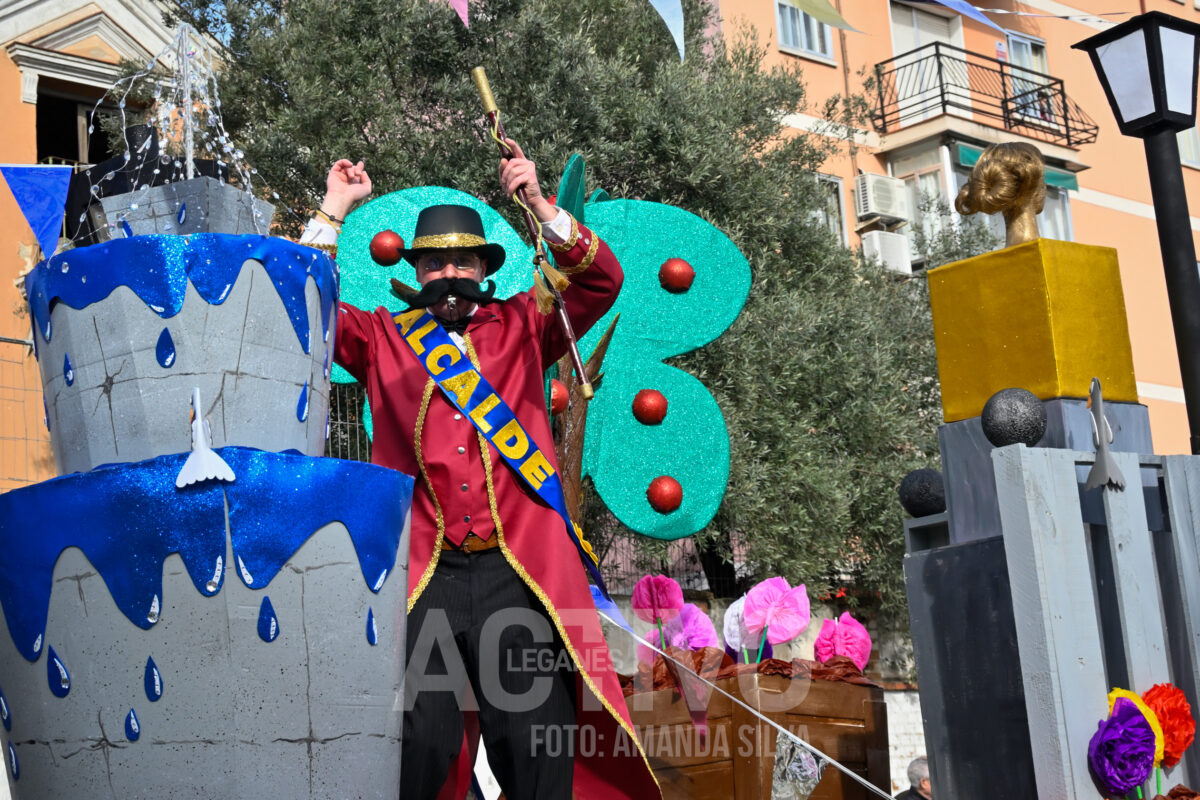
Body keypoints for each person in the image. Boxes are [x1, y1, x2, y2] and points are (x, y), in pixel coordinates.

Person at [301, 149, 659, 800]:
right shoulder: (383, 336)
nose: (449, 272)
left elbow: (602, 281)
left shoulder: (525, 325)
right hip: (425, 573)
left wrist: (543, 207)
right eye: (436, 261)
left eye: (464, 260)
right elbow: (304, 311)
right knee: (420, 745)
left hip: (514, 572)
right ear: (416, 270)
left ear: (484, 269)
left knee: (534, 748)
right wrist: (335, 207)